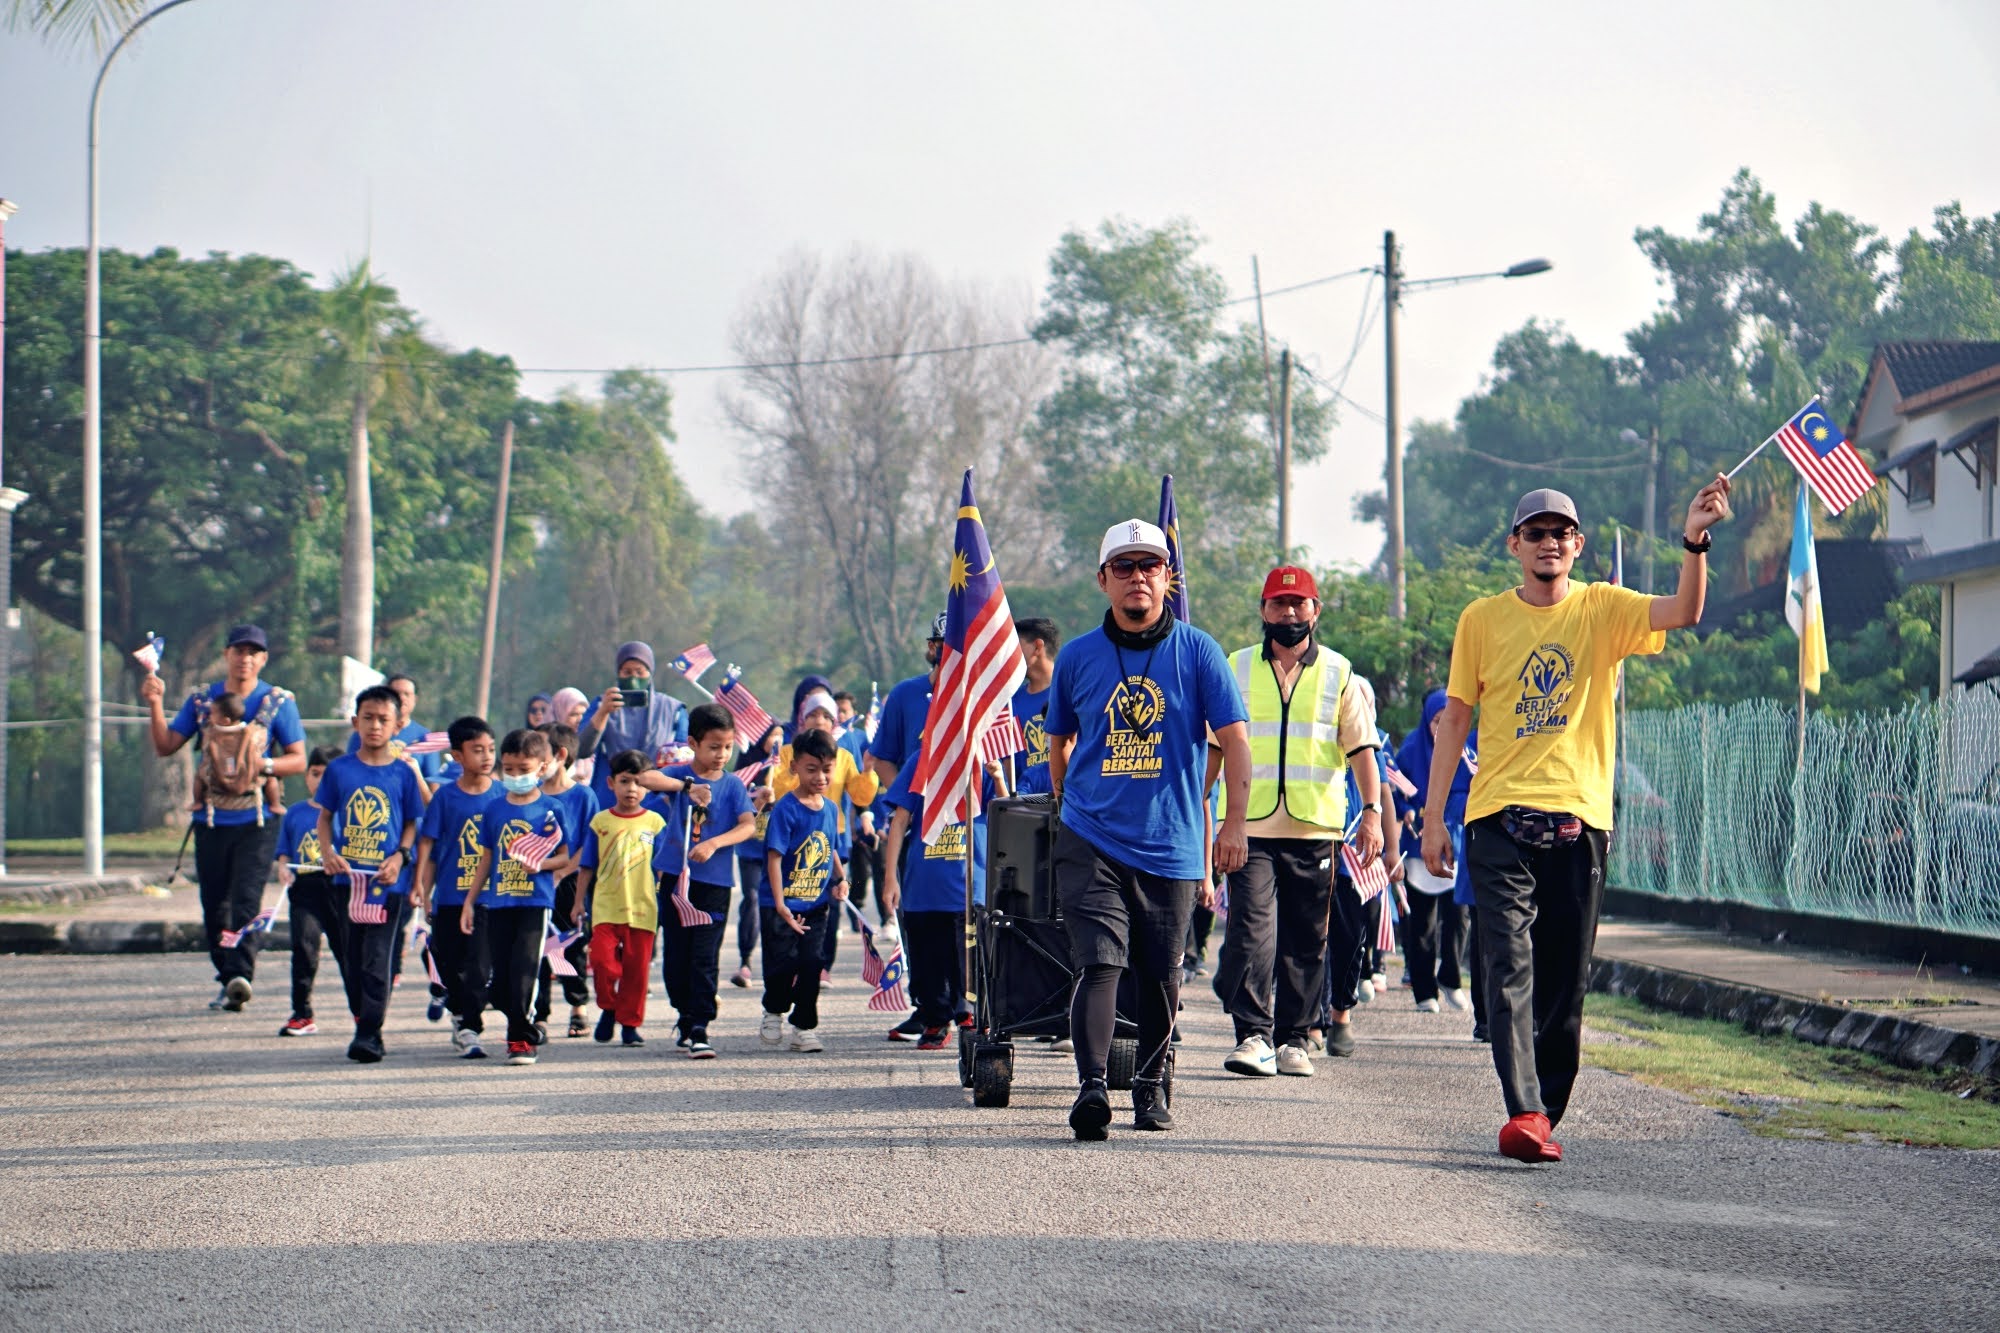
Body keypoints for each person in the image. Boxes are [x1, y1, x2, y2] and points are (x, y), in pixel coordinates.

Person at [1423, 479, 1730, 1164]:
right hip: (1498, 815)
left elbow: (1684, 610)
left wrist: (1694, 540)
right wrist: (1434, 817)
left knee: (1564, 979)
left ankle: (1544, 1112)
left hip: (1580, 818)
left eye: (1561, 533)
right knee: (1507, 964)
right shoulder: (1481, 619)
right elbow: (1457, 717)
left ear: (1578, 546)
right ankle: (1525, 1110)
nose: (1549, 543)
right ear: (1515, 545)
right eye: (1535, 533)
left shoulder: (1602, 608)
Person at [1047, 519, 1251, 1139]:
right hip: (1092, 836)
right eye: (1125, 567)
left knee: (1162, 972)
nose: (1138, 577)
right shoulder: (1077, 656)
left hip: (1171, 840)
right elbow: (1059, 743)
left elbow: (1236, 742)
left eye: (1150, 566)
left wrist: (1232, 826)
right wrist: (1071, 804)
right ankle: (1091, 1089)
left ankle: (1151, 1084)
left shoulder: (1199, 651)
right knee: (1100, 962)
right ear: (1103, 579)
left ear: (1168, 578)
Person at [1207, 566, 1381, 1080]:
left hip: (1315, 829)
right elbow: (1214, 748)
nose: (1288, 613)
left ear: (1315, 611)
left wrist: (1371, 813)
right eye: (1279, 604)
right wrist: (1198, 812)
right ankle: (1253, 1036)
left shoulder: (1338, 671)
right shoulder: (1236, 666)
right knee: (1250, 933)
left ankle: (1294, 1039)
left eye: (1298, 603)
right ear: (1263, 610)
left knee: (1307, 939)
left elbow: (1362, 750)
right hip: (1248, 827)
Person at [140, 623, 307, 1011]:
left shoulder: (277, 703)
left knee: (246, 900)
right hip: (213, 820)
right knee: (215, 904)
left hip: (257, 820)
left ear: (263, 659)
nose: (245, 658)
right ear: (226, 655)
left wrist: (262, 765)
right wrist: (154, 703)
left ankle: (240, 974)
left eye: (253, 652)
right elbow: (166, 745)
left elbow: (298, 759)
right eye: (239, 651)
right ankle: (226, 974)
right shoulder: (202, 702)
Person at [316, 685, 429, 1063]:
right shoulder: (339, 769)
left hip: (386, 883)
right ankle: (364, 1018)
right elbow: (325, 817)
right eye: (368, 718)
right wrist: (327, 853)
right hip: (345, 881)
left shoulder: (403, 773)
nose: (375, 726)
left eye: (384, 719)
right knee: (351, 958)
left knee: (377, 957)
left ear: (397, 726)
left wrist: (400, 856)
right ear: (355, 722)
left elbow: (412, 823)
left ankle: (368, 1033)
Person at [649, 704, 757, 1056]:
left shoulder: (733, 785)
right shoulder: (680, 775)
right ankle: (684, 1013)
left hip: (714, 884)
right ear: (693, 744)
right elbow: (646, 778)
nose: (721, 754)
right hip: (676, 880)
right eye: (713, 747)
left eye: (727, 747)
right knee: (676, 955)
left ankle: (700, 1025)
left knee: (704, 955)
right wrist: (686, 787)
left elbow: (748, 825)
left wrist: (714, 844)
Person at [462, 728, 570, 1067]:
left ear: (542, 767)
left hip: (535, 902)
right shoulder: (494, 809)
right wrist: (470, 901)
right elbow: (486, 859)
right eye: (509, 769)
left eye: (523, 769)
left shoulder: (551, 808)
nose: (515, 775)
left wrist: (541, 864)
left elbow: (565, 857)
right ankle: (521, 1022)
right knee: (499, 981)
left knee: (525, 969)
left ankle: (521, 1039)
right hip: (499, 902)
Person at [877, 759, 994, 1049]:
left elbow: (1005, 808)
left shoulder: (982, 760)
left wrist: (998, 776)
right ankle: (936, 1019)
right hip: (924, 886)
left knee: (969, 962)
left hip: (969, 886)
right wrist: (890, 878)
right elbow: (900, 820)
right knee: (927, 963)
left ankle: (972, 1016)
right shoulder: (921, 761)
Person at [770, 688, 880, 982]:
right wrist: (785, 768)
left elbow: (860, 795)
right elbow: (779, 791)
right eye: (813, 714)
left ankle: (820, 966)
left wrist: (868, 772)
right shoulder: (787, 753)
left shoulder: (842, 756)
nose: (819, 720)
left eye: (826, 716)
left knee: (828, 907)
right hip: (795, 841)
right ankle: (793, 964)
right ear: (802, 719)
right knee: (797, 901)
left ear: (835, 722)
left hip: (833, 839)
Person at [414, 716, 501, 1059]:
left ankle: (471, 1028)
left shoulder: (503, 795)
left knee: (479, 964)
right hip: (450, 897)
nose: (486, 756)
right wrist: (424, 892)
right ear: (458, 755)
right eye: (477, 750)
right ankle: (459, 1012)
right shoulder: (445, 798)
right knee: (449, 963)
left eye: (490, 749)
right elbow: (430, 847)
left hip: (490, 898)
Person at [759, 728, 847, 1053]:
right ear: (794, 766)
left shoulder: (831, 809)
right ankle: (774, 1010)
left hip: (816, 905)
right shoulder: (786, 809)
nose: (820, 777)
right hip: (781, 904)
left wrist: (841, 879)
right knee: (782, 964)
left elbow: (831, 847)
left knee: (812, 963)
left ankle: (804, 1027)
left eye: (826, 769)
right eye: (812, 769)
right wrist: (780, 903)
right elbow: (774, 857)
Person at [576, 751, 668, 1049]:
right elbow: (587, 866)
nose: (632, 789)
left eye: (639, 782)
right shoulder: (600, 822)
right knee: (602, 963)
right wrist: (578, 903)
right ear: (611, 783)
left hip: (643, 908)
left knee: (636, 972)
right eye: (625, 781)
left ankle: (630, 1025)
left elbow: (664, 866)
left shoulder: (655, 823)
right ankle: (609, 1006)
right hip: (605, 907)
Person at [1398, 689, 1476, 1013]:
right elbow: (1394, 789)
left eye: (1448, 720)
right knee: (1422, 924)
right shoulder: (1410, 751)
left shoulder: (1466, 751)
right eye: (1436, 721)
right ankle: (1424, 989)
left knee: (1458, 918)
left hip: (1454, 846)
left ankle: (1451, 977)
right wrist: (1406, 809)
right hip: (1419, 848)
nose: (1442, 728)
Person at [273, 745, 343, 1037]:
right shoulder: (295, 813)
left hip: (338, 888)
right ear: (306, 777)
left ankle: (362, 1010)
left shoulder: (346, 813)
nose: (320, 781)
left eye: (327, 775)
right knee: (304, 948)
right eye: (315, 774)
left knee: (347, 950)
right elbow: (285, 850)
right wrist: (283, 867)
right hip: (304, 889)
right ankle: (301, 1013)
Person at [535, 722, 599, 1038]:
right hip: (536, 881)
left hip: (572, 882)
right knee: (537, 948)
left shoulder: (583, 795)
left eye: (539, 751)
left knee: (572, 943)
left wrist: (563, 871)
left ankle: (578, 1007)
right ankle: (539, 1014)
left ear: (560, 755)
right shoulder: (530, 794)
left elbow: (590, 841)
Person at [577, 640, 690, 814]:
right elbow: (581, 749)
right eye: (627, 672)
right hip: (610, 802)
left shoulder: (673, 710)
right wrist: (603, 712)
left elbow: (684, 758)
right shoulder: (602, 703)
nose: (633, 678)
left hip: (656, 803)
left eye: (640, 672)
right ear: (618, 673)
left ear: (650, 674)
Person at [727, 721, 785, 990]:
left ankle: (779, 963)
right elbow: (735, 806)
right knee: (751, 898)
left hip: (778, 848)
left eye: (781, 736)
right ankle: (746, 960)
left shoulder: (788, 766)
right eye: (773, 735)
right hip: (750, 847)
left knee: (777, 903)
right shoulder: (747, 766)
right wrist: (759, 799)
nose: (777, 741)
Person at [864, 615, 945, 789]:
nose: (956, 652)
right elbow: (882, 759)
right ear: (932, 647)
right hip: (916, 801)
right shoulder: (904, 694)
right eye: (948, 645)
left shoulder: (981, 696)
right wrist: (903, 800)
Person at [1011, 617, 1061, 796]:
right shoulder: (1010, 703)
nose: (1009, 655)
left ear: (1038, 647)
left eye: (1015, 647)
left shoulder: (1072, 693)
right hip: (1026, 802)